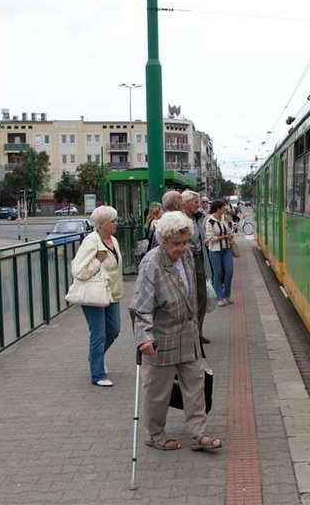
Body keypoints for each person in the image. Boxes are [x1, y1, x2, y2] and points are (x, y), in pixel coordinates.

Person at [130, 211, 222, 452]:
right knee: (158, 391)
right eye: (177, 244)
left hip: (187, 334)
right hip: (161, 338)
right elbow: (141, 308)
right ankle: (156, 434)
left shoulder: (187, 257)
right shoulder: (152, 264)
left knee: (196, 383)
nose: (182, 248)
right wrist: (144, 338)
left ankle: (197, 433)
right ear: (163, 240)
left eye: (185, 242)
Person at [70, 205, 123, 387]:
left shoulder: (113, 241)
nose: (116, 223)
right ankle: (98, 374)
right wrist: (97, 261)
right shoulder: (91, 241)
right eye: (113, 221)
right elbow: (78, 270)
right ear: (101, 224)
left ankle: (95, 357)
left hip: (112, 293)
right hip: (94, 295)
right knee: (98, 333)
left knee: (114, 330)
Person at [182, 190, 211, 343]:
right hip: (185, 261)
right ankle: (189, 333)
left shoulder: (198, 218)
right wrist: (183, 245)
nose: (198, 205)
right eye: (195, 202)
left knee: (202, 297)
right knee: (188, 297)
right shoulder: (178, 219)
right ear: (185, 203)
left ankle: (198, 332)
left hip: (199, 259)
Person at [204, 199, 234, 307]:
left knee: (229, 271)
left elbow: (228, 230)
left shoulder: (223, 218)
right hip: (215, 251)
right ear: (218, 209)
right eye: (223, 207)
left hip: (226, 249)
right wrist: (224, 237)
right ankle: (219, 296)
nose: (225, 209)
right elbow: (210, 238)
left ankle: (226, 293)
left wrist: (230, 235)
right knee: (218, 274)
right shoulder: (209, 221)